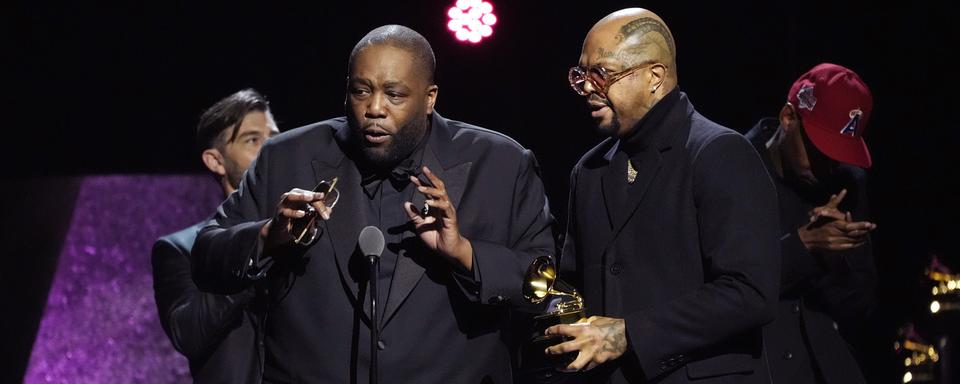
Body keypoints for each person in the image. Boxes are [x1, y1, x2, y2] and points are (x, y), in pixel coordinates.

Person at [190, 25, 555, 383]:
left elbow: (544, 284)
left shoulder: (502, 164)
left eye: (394, 95)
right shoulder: (286, 157)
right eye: (361, 91)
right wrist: (269, 236)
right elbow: (206, 256)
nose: (374, 108)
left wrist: (466, 254)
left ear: (430, 98)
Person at [549, 8, 781, 383]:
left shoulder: (719, 152)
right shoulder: (589, 171)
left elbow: (750, 292)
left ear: (654, 77)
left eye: (601, 74)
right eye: (581, 75)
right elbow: (574, 287)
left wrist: (629, 334)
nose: (588, 88)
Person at [744, 63, 878, 383]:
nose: (830, 166)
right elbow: (725, 288)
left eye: (840, 153)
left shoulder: (846, 184)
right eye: (820, 151)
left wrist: (835, 263)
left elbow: (861, 310)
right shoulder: (733, 167)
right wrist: (805, 245)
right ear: (788, 117)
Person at [151, 88, 279, 382]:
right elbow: (189, 334)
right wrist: (258, 250)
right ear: (215, 161)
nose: (271, 149)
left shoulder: (305, 231)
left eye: (274, 138)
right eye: (253, 140)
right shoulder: (182, 248)